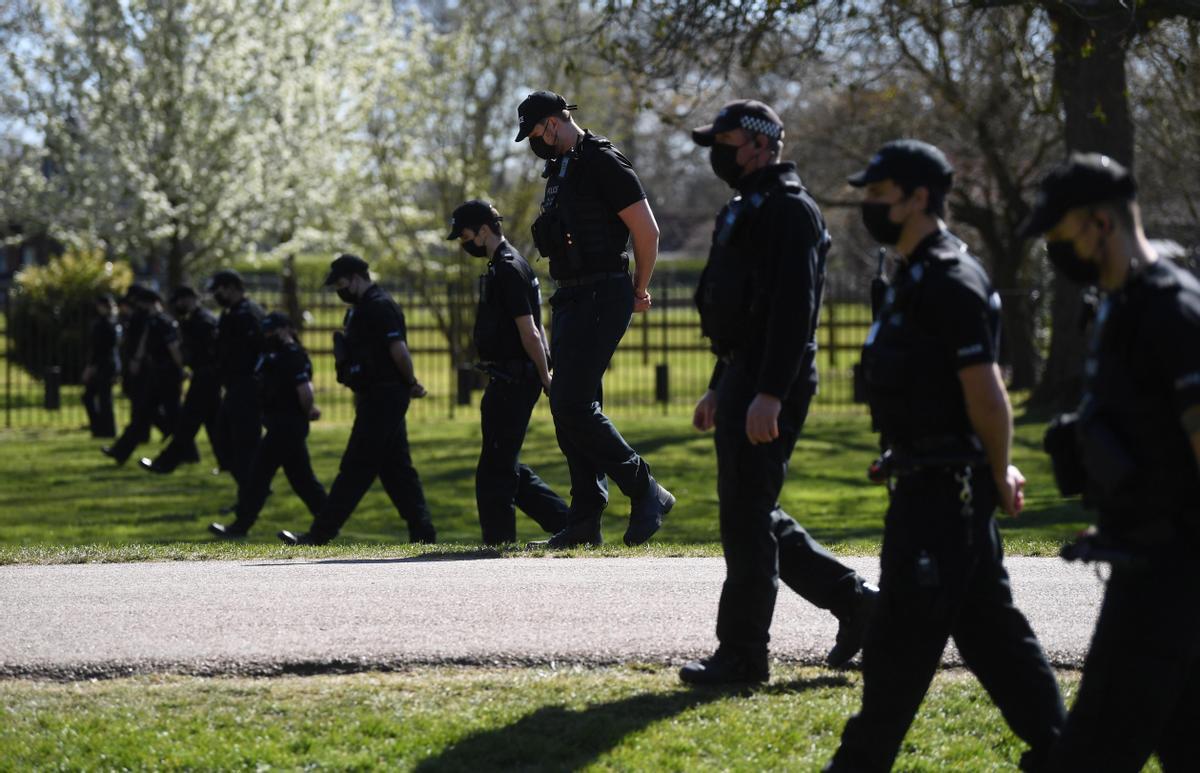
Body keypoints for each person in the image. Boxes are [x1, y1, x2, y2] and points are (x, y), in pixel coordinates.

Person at [826, 140, 1065, 771]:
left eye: (879, 196)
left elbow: (986, 393)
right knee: (993, 637)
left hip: (945, 493)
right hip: (926, 483)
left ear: (918, 198)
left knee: (899, 646)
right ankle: (1064, 752)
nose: (869, 206)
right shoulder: (912, 275)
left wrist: (996, 464)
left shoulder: (952, 278)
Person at [678, 101, 879, 686]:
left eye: (726, 141)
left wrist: (769, 392)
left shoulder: (792, 210)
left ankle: (742, 655)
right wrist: (721, 384)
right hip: (743, 374)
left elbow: (796, 309)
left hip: (774, 379)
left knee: (745, 517)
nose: (717, 152)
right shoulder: (747, 206)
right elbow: (740, 307)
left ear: (761, 144)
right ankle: (855, 602)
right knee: (750, 509)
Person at [1021, 154, 1200, 772]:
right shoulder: (1112, 309)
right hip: (1144, 561)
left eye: (1059, 230)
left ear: (1100, 223)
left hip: (1170, 578)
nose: (1051, 243)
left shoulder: (1171, 309)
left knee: (1090, 756)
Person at [515, 90, 674, 547]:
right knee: (571, 408)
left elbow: (647, 231)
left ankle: (646, 489)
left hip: (604, 292)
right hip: (570, 297)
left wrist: (639, 287)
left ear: (553, 121)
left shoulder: (603, 161)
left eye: (535, 132)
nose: (534, 143)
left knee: (571, 403)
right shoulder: (561, 169)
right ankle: (585, 517)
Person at [278, 254, 436, 545]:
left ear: (355, 278)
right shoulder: (360, 309)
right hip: (376, 394)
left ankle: (319, 534)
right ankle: (423, 532)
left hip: (384, 395)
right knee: (396, 469)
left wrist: (411, 382)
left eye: (340, 283)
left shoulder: (380, 306)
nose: (339, 290)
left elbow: (398, 350)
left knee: (356, 466)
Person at [448, 199, 569, 545]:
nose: (463, 243)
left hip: (513, 379)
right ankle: (568, 523)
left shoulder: (507, 268)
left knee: (494, 471)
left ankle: (499, 543)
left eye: (466, 235)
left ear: (484, 231)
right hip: (510, 377)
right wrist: (544, 367)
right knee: (503, 464)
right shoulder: (512, 264)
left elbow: (529, 329)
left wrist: (545, 374)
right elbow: (537, 325)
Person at [210, 312, 327, 538]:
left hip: (287, 425)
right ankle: (328, 520)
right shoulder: (273, 355)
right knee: (301, 479)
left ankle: (240, 526)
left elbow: (305, 391)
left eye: (274, 330)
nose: (269, 334)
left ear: (288, 329)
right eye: (268, 330)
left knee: (259, 476)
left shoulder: (292, 355)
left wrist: (307, 409)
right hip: (279, 425)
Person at [139, 286, 222, 474]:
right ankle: (229, 462)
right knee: (215, 424)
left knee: (187, 423)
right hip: (205, 375)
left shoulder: (202, 321)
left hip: (205, 376)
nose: (177, 305)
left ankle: (165, 463)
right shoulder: (197, 319)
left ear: (188, 299)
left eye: (178, 300)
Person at [102, 286, 185, 465]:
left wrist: (181, 368)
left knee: (173, 416)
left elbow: (173, 349)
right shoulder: (154, 321)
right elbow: (144, 344)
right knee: (146, 413)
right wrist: (137, 360)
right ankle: (121, 451)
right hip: (157, 374)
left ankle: (187, 452)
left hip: (166, 375)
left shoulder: (161, 322)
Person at [209, 269, 264, 488]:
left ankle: (251, 491)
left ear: (231, 288)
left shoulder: (249, 313)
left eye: (218, 290)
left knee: (244, 442)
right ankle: (250, 488)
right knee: (224, 437)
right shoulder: (231, 312)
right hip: (234, 385)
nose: (216, 295)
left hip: (247, 385)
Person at [81, 292, 120, 438]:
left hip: (102, 366)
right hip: (108, 365)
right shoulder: (113, 323)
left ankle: (103, 429)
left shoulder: (103, 325)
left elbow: (98, 348)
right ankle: (103, 428)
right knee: (102, 398)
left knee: (98, 398)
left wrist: (90, 367)